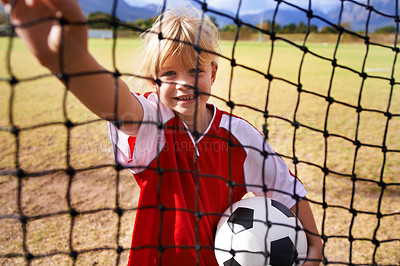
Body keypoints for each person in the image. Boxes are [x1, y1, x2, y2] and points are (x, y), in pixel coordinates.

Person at [2, 0, 323, 265]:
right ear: (154, 83)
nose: (183, 82)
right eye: (169, 73)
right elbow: (111, 100)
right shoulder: (150, 123)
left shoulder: (239, 133)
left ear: (213, 72)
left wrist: (315, 246)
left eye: (195, 70)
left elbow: (285, 188)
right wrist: (70, 60)